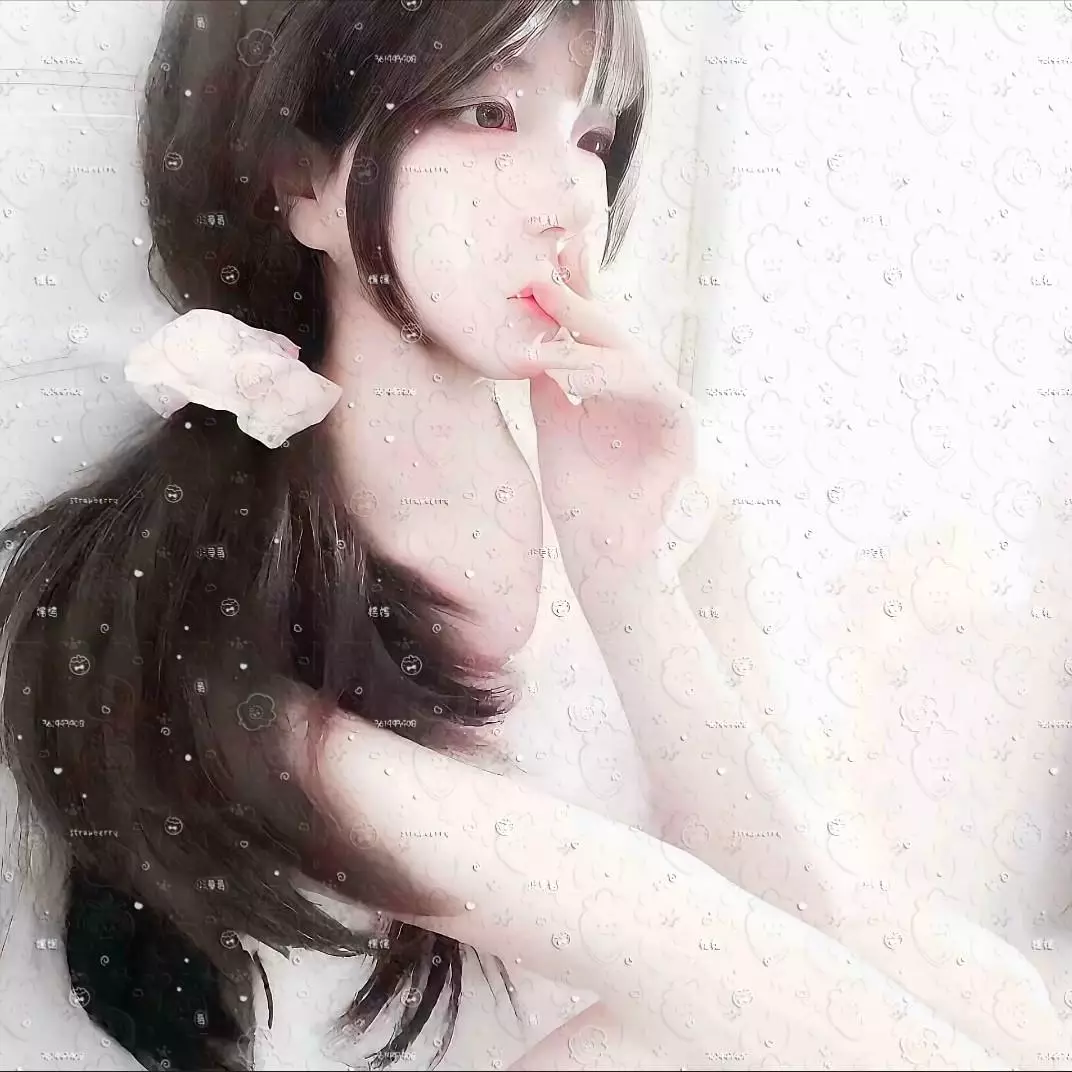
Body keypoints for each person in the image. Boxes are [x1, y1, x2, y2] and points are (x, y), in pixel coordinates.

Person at [0, 2, 1064, 1069]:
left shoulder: (664, 500)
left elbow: (810, 920)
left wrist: (620, 568)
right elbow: (679, 936)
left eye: (593, 135)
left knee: (981, 982)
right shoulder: (219, 610)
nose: (568, 198)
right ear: (302, 181)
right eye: (487, 114)